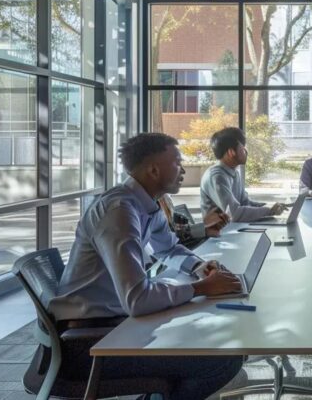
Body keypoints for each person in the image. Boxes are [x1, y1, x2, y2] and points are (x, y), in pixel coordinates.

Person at [49, 133, 245, 399]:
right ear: (153, 170)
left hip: (114, 324)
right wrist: (202, 288)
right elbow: (138, 300)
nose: (183, 170)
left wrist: (201, 267)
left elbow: (169, 248)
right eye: (177, 162)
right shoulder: (119, 211)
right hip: (86, 344)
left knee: (212, 339)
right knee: (223, 359)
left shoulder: (145, 204)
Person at [200, 127, 287, 222]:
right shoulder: (216, 177)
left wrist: (270, 206)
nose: (246, 152)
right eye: (242, 148)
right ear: (231, 152)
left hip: (234, 228)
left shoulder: (234, 173)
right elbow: (234, 213)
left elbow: (245, 203)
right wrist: (268, 211)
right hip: (221, 231)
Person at [158, 193, 230, 247]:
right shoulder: (154, 205)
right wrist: (203, 225)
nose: (183, 173)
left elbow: (179, 237)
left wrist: (205, 230)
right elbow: (167, 244)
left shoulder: (165, 197)